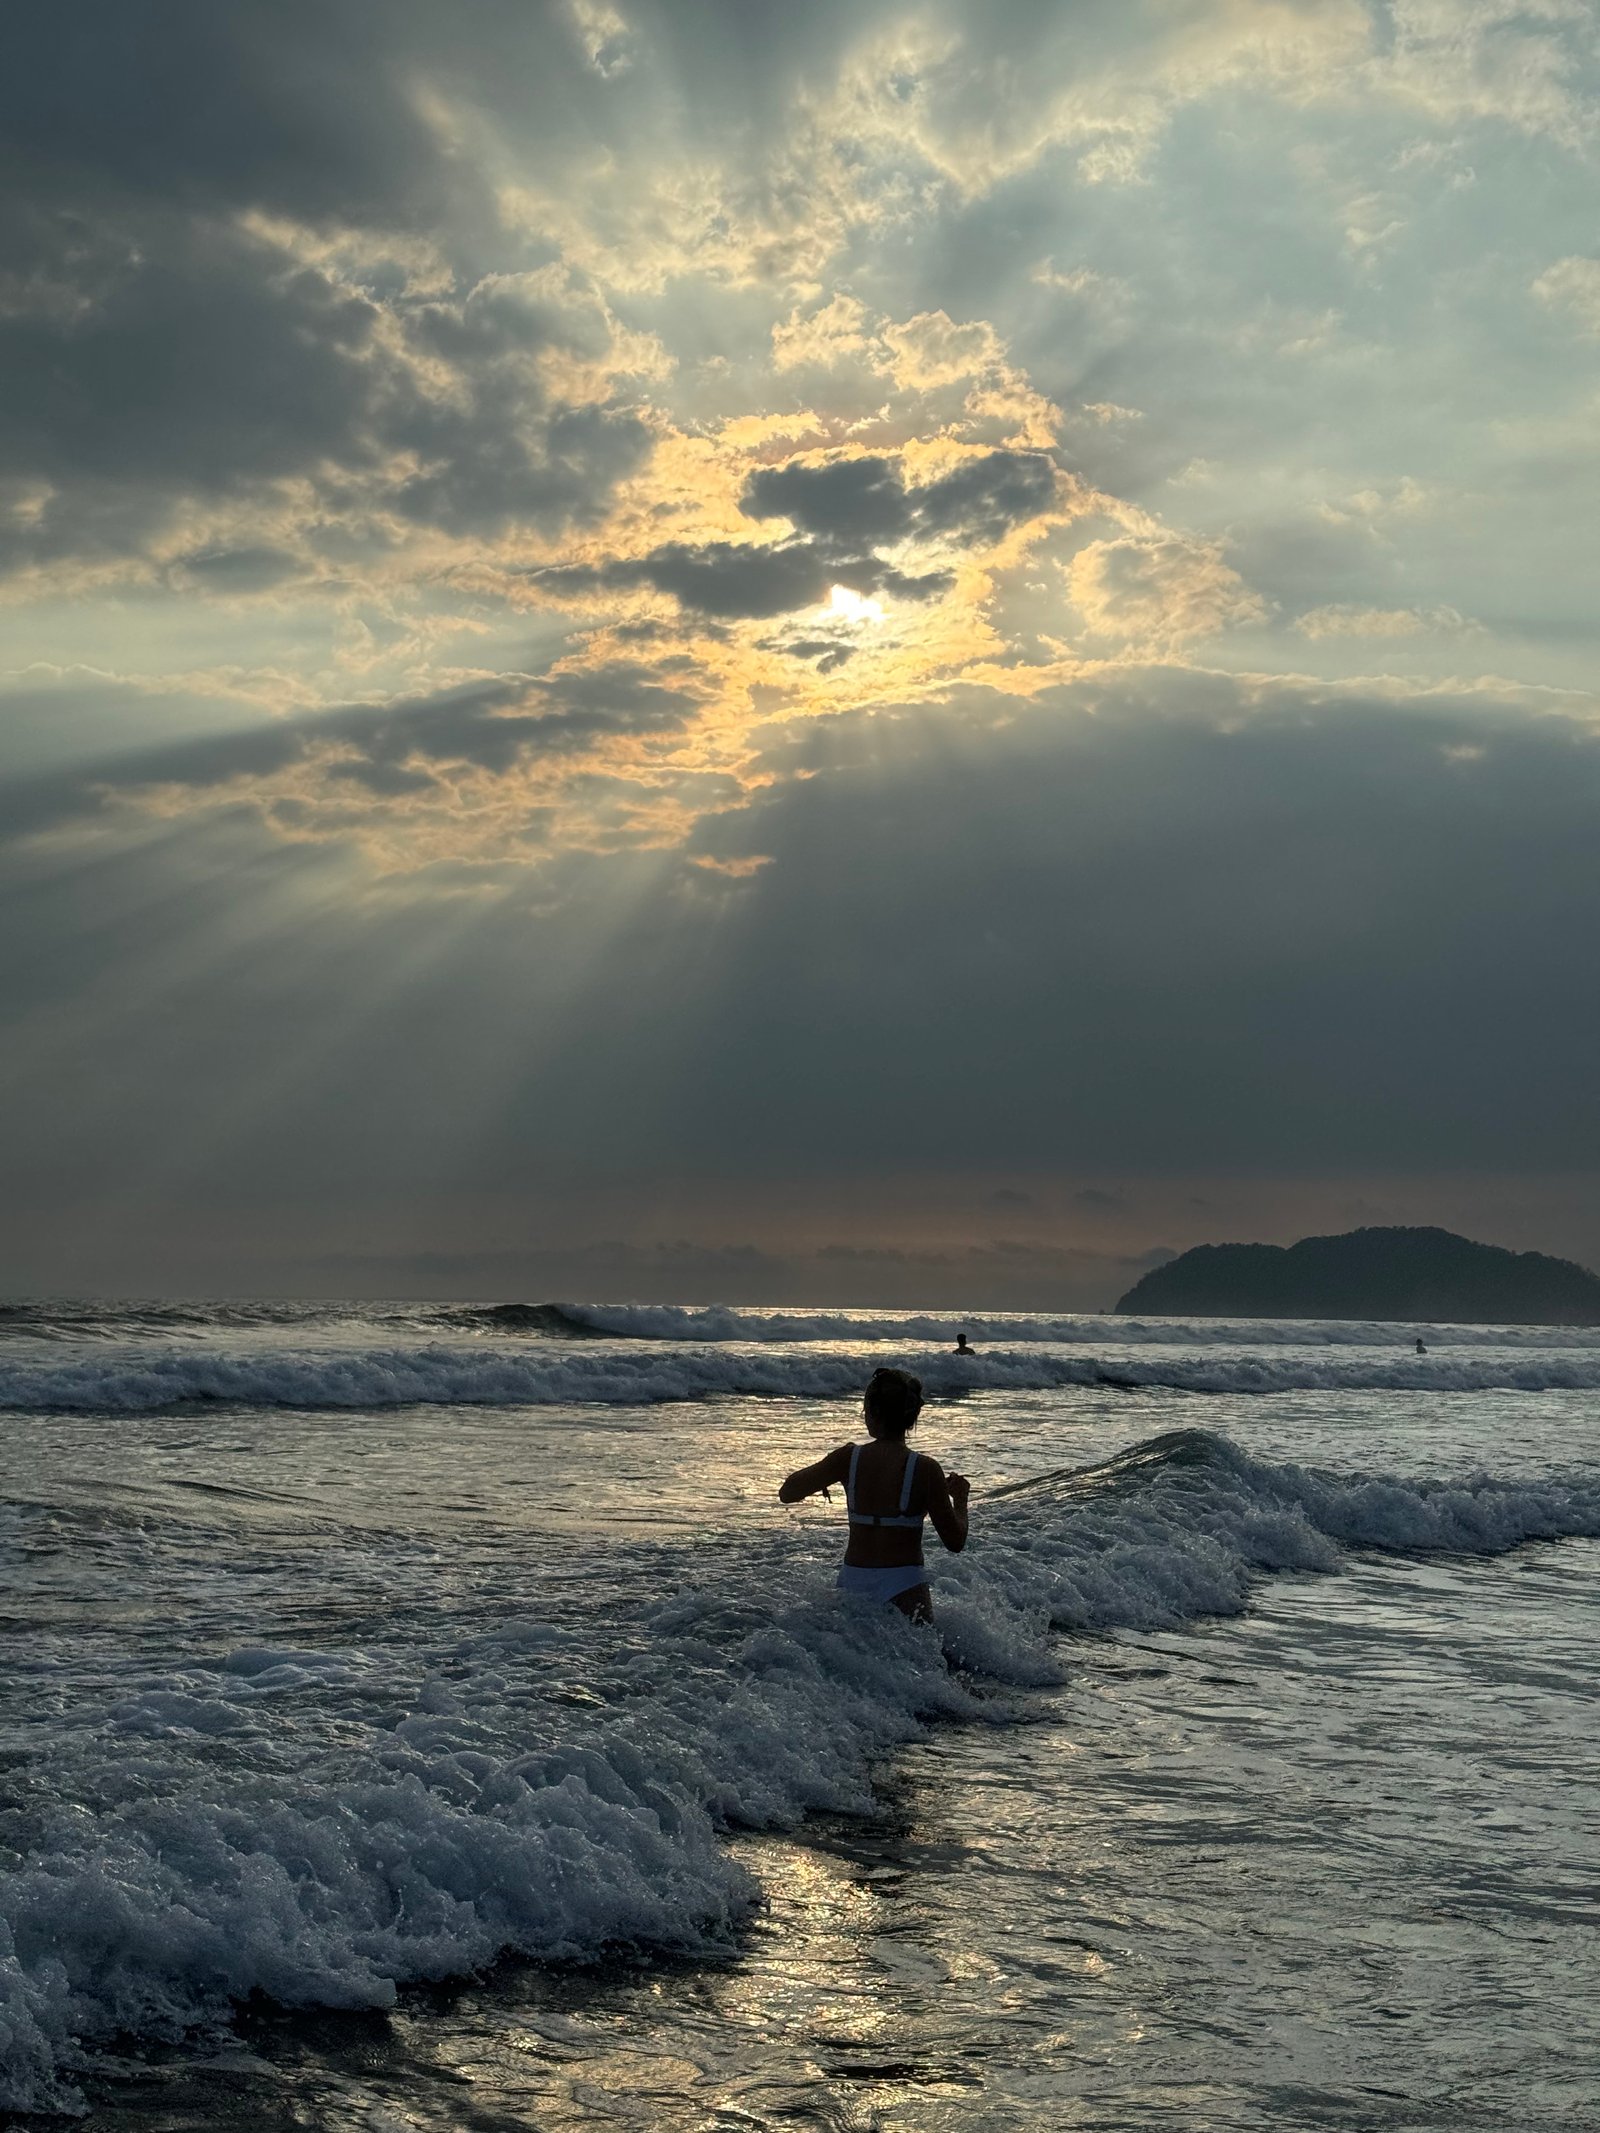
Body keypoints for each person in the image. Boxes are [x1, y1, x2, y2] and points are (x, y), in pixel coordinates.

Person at [779, 1365, 969, 1624]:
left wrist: (829, 1474)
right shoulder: (925, 1468)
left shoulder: (848, 1458)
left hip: (853, 1582)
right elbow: (955, 1541)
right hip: (905, 1583)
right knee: (921, 1663)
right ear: (911, 1416)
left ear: (874, 1413)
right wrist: (960, 1500)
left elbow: (787, 1492)